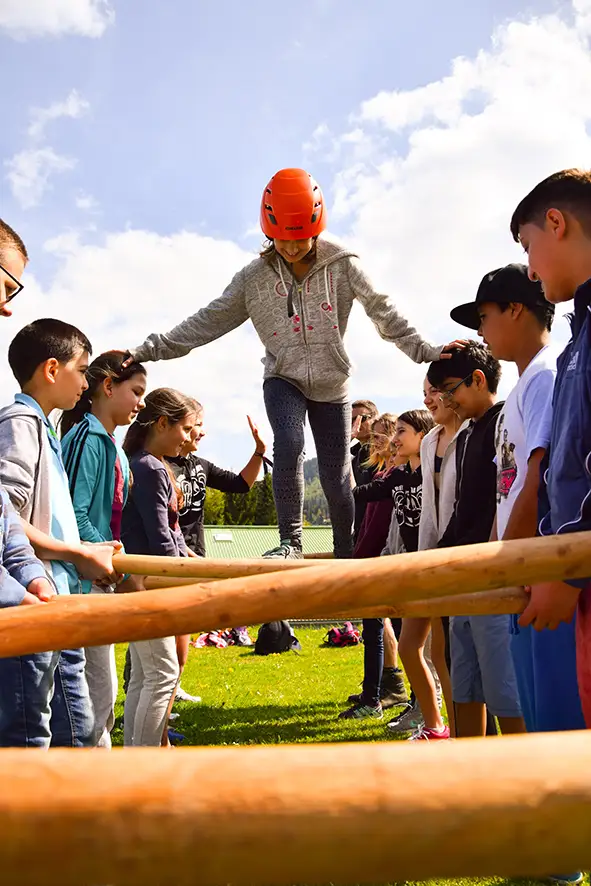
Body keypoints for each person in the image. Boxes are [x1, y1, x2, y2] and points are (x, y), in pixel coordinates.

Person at [124, 168, 462, 561]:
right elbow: (207, 321)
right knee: (289, 442)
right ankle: (291, 542)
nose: (291, 246)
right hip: (282, 377)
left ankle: (345, 549)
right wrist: (149, 349)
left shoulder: (344, 265)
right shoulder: (253, 279)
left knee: (338, 477)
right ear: (269, 230)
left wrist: (425, 350)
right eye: (282, 237)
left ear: (316, 226)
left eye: (300, 237)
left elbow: (383, 312)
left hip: (332, 384)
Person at [450, 263, 585, 736]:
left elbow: (538, 479)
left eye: (483, 316)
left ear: (515, 309)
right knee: (534, 709)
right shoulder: (523, 387)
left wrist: (513, 563)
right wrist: (497, 561)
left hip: (540, 573)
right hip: (521, 569)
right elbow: (503, 493)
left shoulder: (548, 374)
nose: (480, 332)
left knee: (556, 723)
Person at [0, 318, 117, 748]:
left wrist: (84, 549)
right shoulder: (19, 424)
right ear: (52, 369)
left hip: (60, 600)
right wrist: (75, 553)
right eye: (82, 370)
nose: (86, 384)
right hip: (30, 602)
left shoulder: (46, 428)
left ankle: (77, 813)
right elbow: (7, 518)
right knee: (31, 737)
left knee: (80, 733)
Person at [509, 168, 591, 730]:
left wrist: (569, 569)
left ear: (555, 223)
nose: (531, 270)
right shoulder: (577, 340)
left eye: (528, 246)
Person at [430, 342, 525, 738]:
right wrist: (437, 559)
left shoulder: (505, 422)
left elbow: (504, 500)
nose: (449, 402)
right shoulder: (466, 435)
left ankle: (522, 779)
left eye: (452, 391)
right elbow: (462, 509)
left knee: (505, 689)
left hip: (494, 578)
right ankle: (470, 774)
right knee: (464, 682)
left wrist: (491, 559)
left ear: (479, 379)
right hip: (464, 577)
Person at [60, 351, 148, 748]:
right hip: (82, 581)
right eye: (136, 391)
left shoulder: (112, 446)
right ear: (107, 386)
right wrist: (119, 568)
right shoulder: (85, 439)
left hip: (103, 577)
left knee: (102, 694)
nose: (141, 403)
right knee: (94, 697)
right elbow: (74, 516)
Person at [341, 411, 436, 731]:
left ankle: (432, 715)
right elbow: (359, 492)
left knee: (435, 652)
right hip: (407, 570)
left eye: (401, 431)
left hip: (434, 569)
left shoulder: (435, 474)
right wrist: (339, 456)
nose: (394, 438)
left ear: (423, 436)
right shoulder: (397, 476)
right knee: (414, 648)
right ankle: (426, 713)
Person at [168, 402, 267, 696]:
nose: (203, 431)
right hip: (166, 555)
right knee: (159, 631)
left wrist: (259, 451)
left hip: (195, 556)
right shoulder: (158, 464)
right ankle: (157, 689)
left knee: (182, 628)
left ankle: (172, 687)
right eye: (196, 424)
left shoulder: (200, 466)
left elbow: (241, 484)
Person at [389, 373, 467, 741]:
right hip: (426, 559)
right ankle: (437, 725)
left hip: (457, 560)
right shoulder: (431, 443)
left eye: (433, 391)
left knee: (446, 656)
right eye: (424, 392)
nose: (428, 399)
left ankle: (453, 729)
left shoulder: (469, 435)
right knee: (411, 647)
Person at [122, 388, 197, 746]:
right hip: (149, 585)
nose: (188, 438)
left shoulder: (147, 464)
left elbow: (172, 534)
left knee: (144, 675)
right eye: (185, 428)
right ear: (163, 423)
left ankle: (136, 759)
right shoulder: (150, 468)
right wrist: (180, 579)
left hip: (146, 581)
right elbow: (159, 538)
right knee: (163, 674)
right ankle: (146, 762)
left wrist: (192, 560)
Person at [339, 413, 409, 720]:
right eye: (375, 435)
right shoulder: (382, 472)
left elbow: (380, 525)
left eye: (381, 436)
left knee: (391, 630)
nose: (375, 441)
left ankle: (378, 698)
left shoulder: (394, 475)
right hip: (371, 556)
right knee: (376, 630)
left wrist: (363, 557)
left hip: (382, 559)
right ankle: (380, 692)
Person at [350, 399, 380, 540]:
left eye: (362, 419)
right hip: (359, 530)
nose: (355, 424)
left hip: (376, 531)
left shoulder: (382, 453)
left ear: (376, 420)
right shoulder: (355, 456)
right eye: (350, 420)